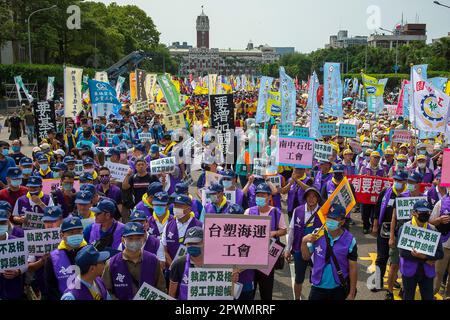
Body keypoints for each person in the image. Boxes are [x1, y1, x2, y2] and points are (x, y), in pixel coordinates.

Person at [301, 203, 358, 300]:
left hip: (338, 288)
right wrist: (303, 242)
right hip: (317, 287)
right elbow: (306, 257)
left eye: (335, 219)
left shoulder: (350, 240)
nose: (330, 221)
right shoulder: (317, 233)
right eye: (329, 217)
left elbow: (353, 269)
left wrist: (352, 293)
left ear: (342, 221)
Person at [244, 183, 287, 300]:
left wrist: (274, 233)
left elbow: (283, 230)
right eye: (258, 195)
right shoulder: (248, 212)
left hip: (269, 257)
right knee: (249, 291)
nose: (260, 197)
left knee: (266, 291)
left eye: (263, 195)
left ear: (269, 197)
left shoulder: (276, 212)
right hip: (251, 257)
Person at [102, 222, 166, 300]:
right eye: (130, 238)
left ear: (143, 238)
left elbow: (161, 288)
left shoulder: (153, 260)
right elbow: (106, 291)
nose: (134, 241)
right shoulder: (112, 263)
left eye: (138, 238)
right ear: (123, 240)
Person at [399, 200, 444, 300]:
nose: (425, 214)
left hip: (427, 272)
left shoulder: (433, 230)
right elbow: (403, 252)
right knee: (408, 297)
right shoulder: (405, 228)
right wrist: (424, 258)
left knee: (428, 297)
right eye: (422, 212)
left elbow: (440, 254)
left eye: (427, 212)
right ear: (414, 213)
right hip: (409, 271)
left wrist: (423, 256)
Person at [372, 170, 407, 296]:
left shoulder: (407, 195)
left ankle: (393, 280)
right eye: (395, 180)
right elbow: (376, 209)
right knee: (381, 257)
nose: (397, 182)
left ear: (405, 182)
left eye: (400, 180)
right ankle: (377, 281)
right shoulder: (386, 192)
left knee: (396, 260)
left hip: (400, 231)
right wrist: (375, 225)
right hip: (383, 228)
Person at [285, 188, 323, 300]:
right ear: (305, 197)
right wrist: (287, 249)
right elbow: (291, 230)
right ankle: (297, 298)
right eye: (309, 196)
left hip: (317, 251)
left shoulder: (323, 212)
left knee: (316, 279)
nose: (311, 199)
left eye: (314, 196)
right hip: (298, 249)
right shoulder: (298, 210)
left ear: (318, 198)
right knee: (299, 278)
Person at [161, 195, 203, 282]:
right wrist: (173, 265)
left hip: (194, 270)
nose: (176, 208)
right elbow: (164, 249)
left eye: (180, 206)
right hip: (172, 270)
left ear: (189, 208)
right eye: (175, 206)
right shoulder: (168, 226)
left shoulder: (200, 226)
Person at [45, 216, 87, 300]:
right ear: (62, 235)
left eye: (78, 232)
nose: (75, 235)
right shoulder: (52, 258)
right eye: (71, 232)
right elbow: (50, 287)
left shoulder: (89, 252)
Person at [27, 206, 64, 300]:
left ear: (60, 220)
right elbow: (30, 267)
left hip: (65, 286)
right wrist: (43, 260)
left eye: (53, 221)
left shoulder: (67, 235)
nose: (49, 225)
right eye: (46, 221)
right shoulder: (36, 238)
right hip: (45, 288)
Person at [429, 186, 450, 299]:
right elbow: (431, 222)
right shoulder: (441, 203)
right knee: (437, 274)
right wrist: (440, 220)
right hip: (444, 245)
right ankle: (430, 295)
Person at [0, 209, 25, 300]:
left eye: (2, 222)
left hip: (13, 289)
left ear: (7, 223)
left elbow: (25, 263)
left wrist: (18, 271)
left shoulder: (17, 242)